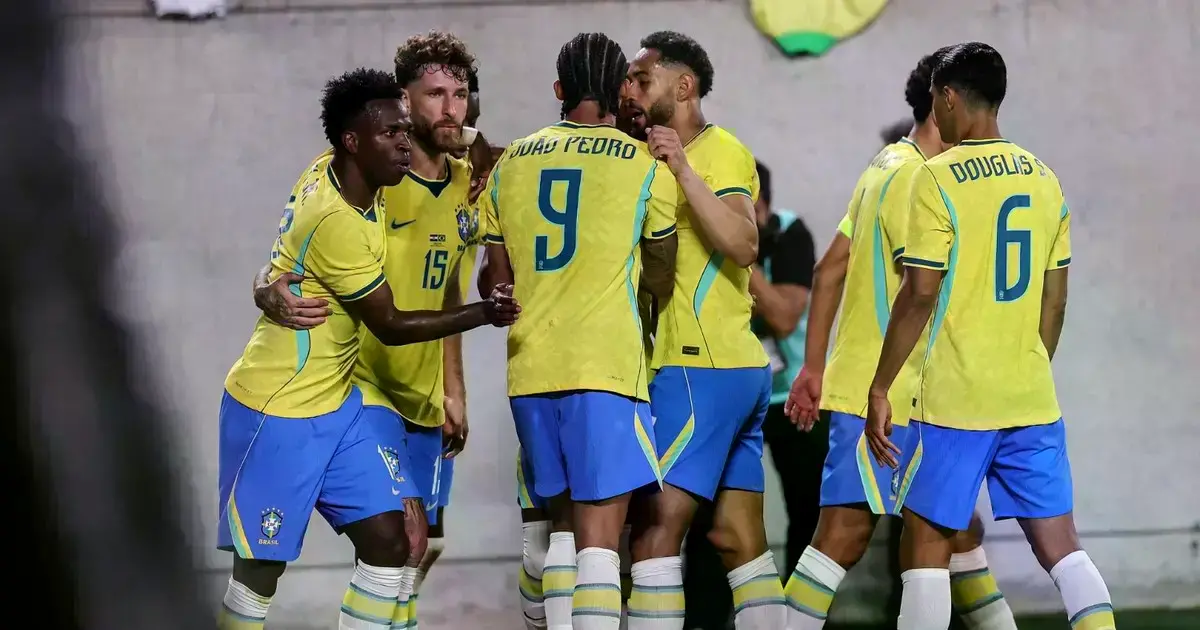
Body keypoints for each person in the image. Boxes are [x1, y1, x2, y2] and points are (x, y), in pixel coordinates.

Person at [216, 68, 519, 630]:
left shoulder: (347, 176)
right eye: (391, 133)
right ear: (353, 142)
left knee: (394, 540)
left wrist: (475, 144)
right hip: (278, 406)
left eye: (405, 131)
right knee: (259, 573)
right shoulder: (336, 220)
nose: (403, 143)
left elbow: (282, 255)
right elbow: (391, 324)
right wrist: (486, 312)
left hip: (341, 400)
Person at [864, 42, 1116, 630]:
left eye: (935, 100)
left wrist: (880, 387)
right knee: (1063, 548)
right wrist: (1029, 363)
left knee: (925, 545)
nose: (935, 113)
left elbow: (919, 293)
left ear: (950, 98)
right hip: (1030, 396)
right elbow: (1055, 298)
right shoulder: (1045, 179)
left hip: (955, 399)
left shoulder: (935, 178)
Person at [782, 51, 1017, 630]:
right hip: (893, 392)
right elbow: (924, 291)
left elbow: (828, 271)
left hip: (882, 387)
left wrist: (814, 368)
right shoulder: (921, 179)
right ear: (944, 101)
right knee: (847, 534)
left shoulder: (882, 167)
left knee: (955, 531)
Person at [478, 31, 680, 630]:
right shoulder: (644, 165)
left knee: (559, 528)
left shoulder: (510, 163)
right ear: (620, 89)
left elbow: (496, 279)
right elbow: (661, 275)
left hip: (530, 369)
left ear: (559, 89)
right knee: (599, 541)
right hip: (604, 366)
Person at [621, 30, 786, 630]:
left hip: (698, 367)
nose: (632, 91)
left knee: (654, 535)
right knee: (737, 539)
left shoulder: (721, 152)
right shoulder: (638, 153)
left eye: (644, 80)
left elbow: (744, 244)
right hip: (733, 372)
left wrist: (684, 170)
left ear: (684, 86)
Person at [676, 158, 820, 628]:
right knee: (708, 519)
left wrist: (742, 253)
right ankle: (707, 618)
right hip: (730, 389)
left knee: (810, 512)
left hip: (792, 395)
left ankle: (799, 618)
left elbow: (783, 317)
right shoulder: (701, 232)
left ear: (763, 205)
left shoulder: (790, 234)